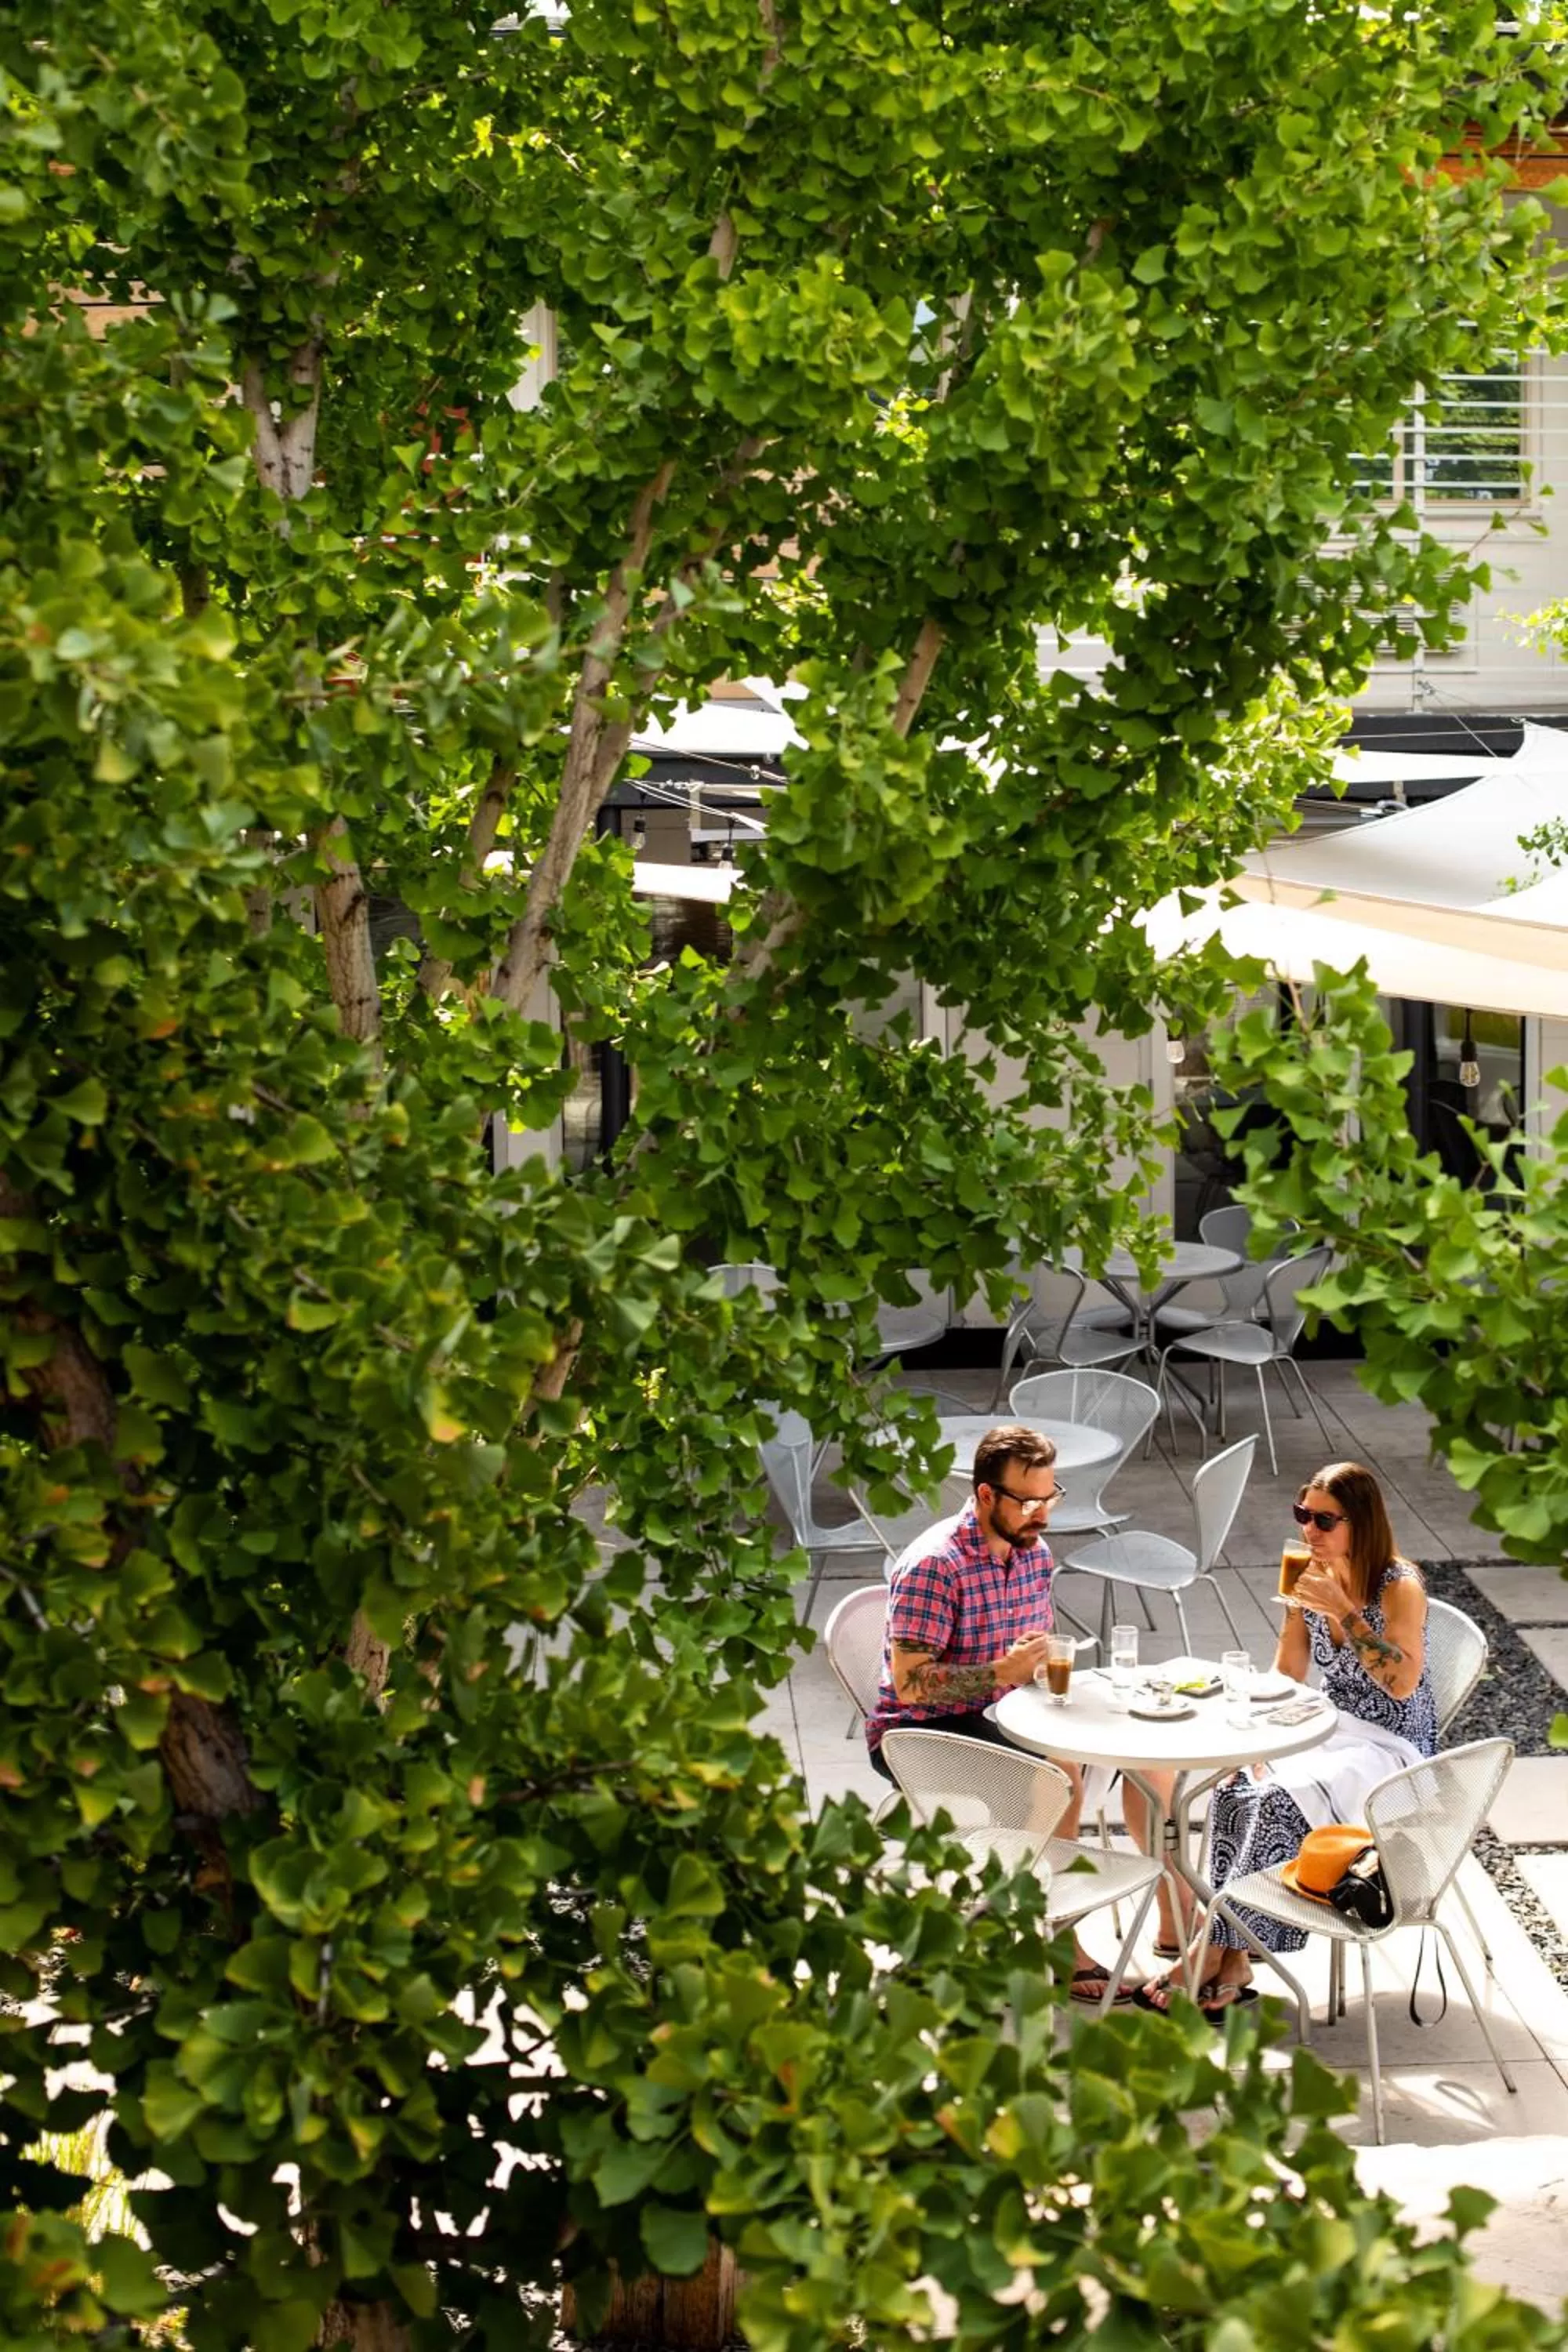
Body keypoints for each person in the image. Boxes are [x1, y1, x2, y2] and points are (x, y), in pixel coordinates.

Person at [1138, 1459, 1436, 2022]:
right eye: (1304, 1516)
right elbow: (1286, 1676)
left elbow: (1401, 1684)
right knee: (1234, 1787)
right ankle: (1233, 1963)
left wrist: (1344, 1612)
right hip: (1330, 1729)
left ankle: (1207, 1954)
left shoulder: (1399, 1587)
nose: (1310, 1531)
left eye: (1325, 1521)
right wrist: (1255, 1742)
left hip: (1391, 1749)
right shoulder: (1307, 1575)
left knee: (1277, 1803)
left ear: (1362, 1523)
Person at [865, 1424, 1124, 2005]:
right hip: (919, 1733)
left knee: (1117, 1752)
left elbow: (1029, 1651)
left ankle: (1000, 1917)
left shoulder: (1034, 1553)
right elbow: (909, 1686)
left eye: (1050, 1498)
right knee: (1056, 1777)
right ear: (986, 1496)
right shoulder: (937, 1565)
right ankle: (1053, 1938)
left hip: (1001, 1715)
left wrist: (1037, 1672)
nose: (1043, 1516)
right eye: (1029, 1502)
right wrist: (1001, 1675)